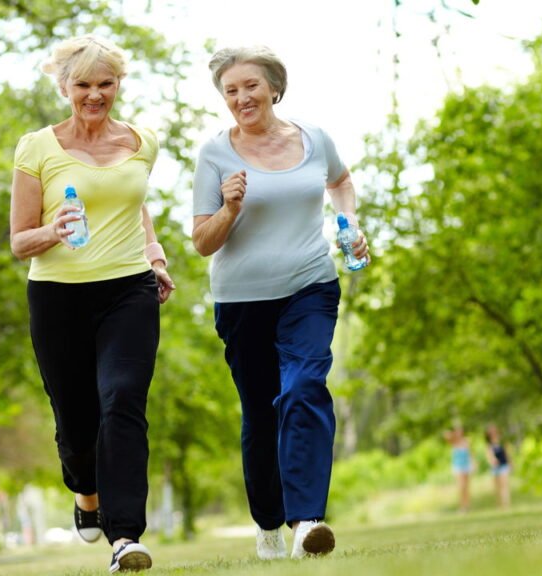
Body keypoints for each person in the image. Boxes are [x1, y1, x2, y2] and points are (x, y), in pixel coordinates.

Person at [191, 45, 370, 560]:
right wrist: (229, 207)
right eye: (231, 91)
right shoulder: (214, 153)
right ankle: (269, 522)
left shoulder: (315, 139)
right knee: (260, 414)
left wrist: (349, 223)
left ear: (274, 87)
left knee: (305, 388)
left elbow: (341, 181)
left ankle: (308, 520)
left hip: (310, 285)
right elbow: (203, 241)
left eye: (250, 86)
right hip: (242, 299)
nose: (242, 98)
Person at [9, 34, 174, 573]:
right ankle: (85, 492)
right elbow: (17, 242)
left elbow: (134, 204)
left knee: (122, 399)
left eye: (106, 83)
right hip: (58, 298)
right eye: (83, 84)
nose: (95, 94)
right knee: (77, 421)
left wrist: (155, 257)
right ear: (64, 87)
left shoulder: (142, 142)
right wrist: (53, 230)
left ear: (119, 85)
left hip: (128, 289)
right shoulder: (37, 147)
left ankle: (125, 536)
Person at [443, 425, 472, 513]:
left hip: (466, 465)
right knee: (461, 487)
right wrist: (453, 434)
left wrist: (473, 463)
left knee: (467, 487)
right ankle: (462, 507)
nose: (459, 433)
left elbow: (470, 453)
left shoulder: (467, 441)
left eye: (460, 431)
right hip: (458, 467)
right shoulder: (453, 442)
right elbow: (445, 434)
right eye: (457, 431)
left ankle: (467, 506)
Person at [484, 424, 511, 509]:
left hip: (504, 465)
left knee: (504, 485)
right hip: (495, 467)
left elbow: (507, 453)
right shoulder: (489, 445)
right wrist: (492, 460)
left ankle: (506, 504)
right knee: (497, 487)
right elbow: (488, 456)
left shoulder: (502, 442)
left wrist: (511, 463)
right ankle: (500, 504)